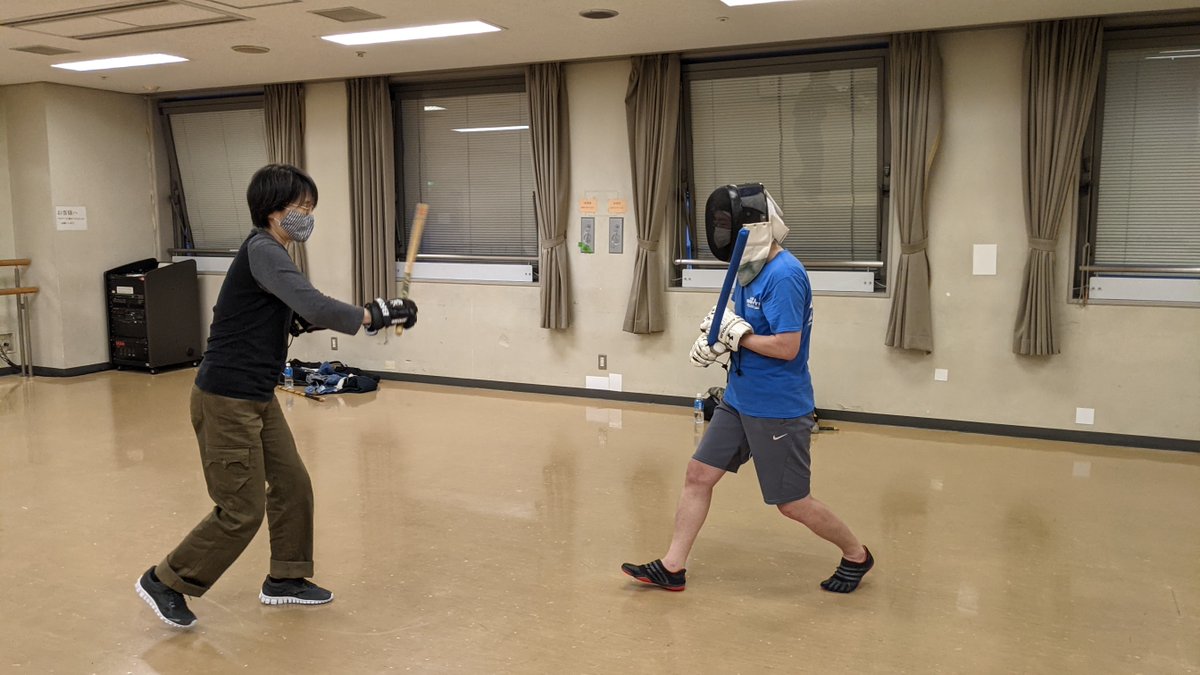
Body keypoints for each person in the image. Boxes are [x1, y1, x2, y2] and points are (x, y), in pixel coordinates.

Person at [135, 164, 418, 629]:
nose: (307, 215)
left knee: (291, 485)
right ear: (272, 210)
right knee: (241, 510)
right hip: (226, 398)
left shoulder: (272, 254)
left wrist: (337, 318)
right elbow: (313, 303)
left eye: (311, 207)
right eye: (300, 207)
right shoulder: (263, 250)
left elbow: (297, 312)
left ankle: (286, 577)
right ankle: (165, 580)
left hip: (257, 396)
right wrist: (375, 313)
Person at [622, 183, 873, 594]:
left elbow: (787, 347)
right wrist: (719, 340)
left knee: (792, 503)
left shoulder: (784, 275)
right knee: (698, 474)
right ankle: (672, 567)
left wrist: (739, 337)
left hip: (778, 407)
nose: (722, 231)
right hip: (739, 399)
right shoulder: (746, 267)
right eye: (719, 223)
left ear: (754, 226)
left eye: (728, 223)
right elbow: (742, 322)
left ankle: (856, 554)